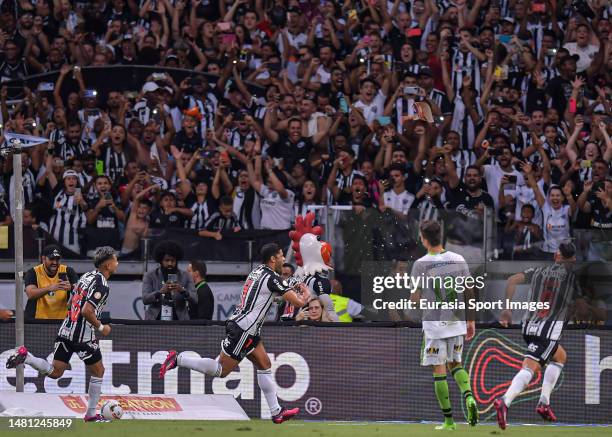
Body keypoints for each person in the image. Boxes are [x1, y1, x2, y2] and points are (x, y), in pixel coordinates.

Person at [159, 243, 310, 424]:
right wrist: (306, 293)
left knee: (265, 364)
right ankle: (178, 359)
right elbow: (299, 302)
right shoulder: (272, 278)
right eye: (280, 256)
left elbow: (276, 287)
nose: (284, 259)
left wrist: (294, 282)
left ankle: (276, 412)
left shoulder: (258, 272)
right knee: (221, 370)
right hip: (245, 330)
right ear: (273, 259)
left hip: (247, 328)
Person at [6, 247, 119, 422]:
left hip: (65, 329)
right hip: (82, 336)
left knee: (55, 371)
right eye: (115, 260)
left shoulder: (87, 276)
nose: (117, 263)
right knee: (99, 371)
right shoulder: (102, 285)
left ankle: (26, 357)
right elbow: (87, 311)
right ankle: (90, 415)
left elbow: (71, 302)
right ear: (108, 264)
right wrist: (101, 327)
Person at [494, 241, 581, 429]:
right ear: (573, 259)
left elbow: (511, 281)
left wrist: (507, 310)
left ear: (556, 255)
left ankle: (543, 402)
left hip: (528, 326)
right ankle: (504, 401)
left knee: (560, 356)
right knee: (530, 368)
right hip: (547, 330)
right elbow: (579, 304)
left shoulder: (538, 271)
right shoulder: (572, 277)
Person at [410, 220, 478, 430]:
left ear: (423, 238)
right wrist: (471, 320)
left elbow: (414, 299)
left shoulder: (420, 264)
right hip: (457, 323)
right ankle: (469, 398)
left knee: (439, 371)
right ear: (441, 237)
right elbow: (469, 291)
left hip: (434, 326)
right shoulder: (458, 259)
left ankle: (449, 421)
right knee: (456, 365)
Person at [142, 240, 197, 321]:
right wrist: (160, 292)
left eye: (173, 260)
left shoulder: (186, 276)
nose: (170, 263)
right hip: (155, 321)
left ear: (177, 260)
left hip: (179, 322)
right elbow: (145, 299)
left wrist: (182, 291)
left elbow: (195, 299)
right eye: (167, 260)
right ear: (161, 260)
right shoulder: (150, 275)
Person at [24, 245, 78, 320]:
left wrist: (71, 288)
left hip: (62, 321)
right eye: (51, 259)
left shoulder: (68, 271)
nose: (55, 262)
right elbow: (30, 294)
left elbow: (80, 292)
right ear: (43, 258)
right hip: (37, 321)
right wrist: (50, 288)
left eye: (57, 259)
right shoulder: (33, 272)